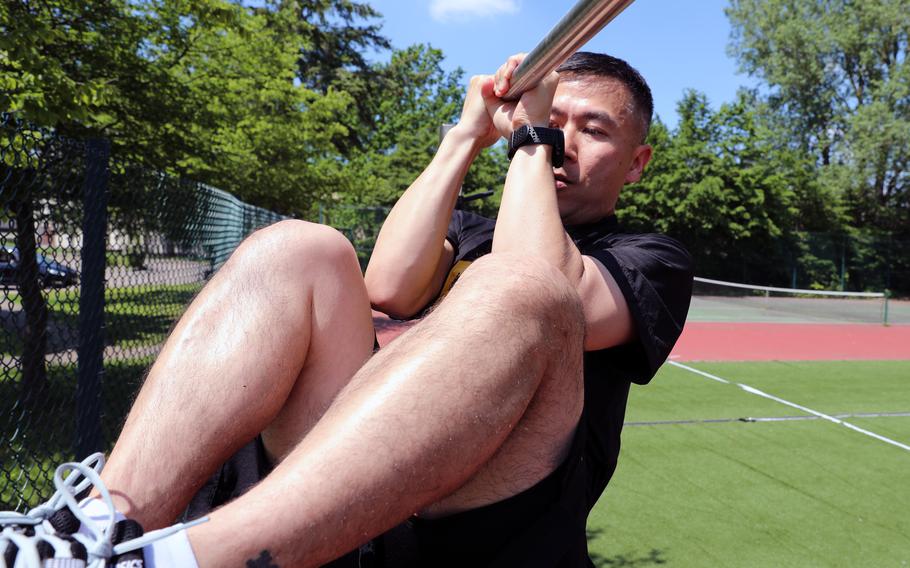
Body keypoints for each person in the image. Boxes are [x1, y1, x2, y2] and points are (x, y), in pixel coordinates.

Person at [0, 52, 692, 567]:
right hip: (340, 492)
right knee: (301, 248)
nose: (566, 140)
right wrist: (466, 134)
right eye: (555, 121)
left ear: (637, 162)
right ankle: (88, 534)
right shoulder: (476, 228)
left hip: (480, 524)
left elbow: (539, 278)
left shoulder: (650, 258)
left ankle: (181, 561)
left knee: (523, 290)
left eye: (593, 129)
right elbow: (387, 285)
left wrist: (531, 139)